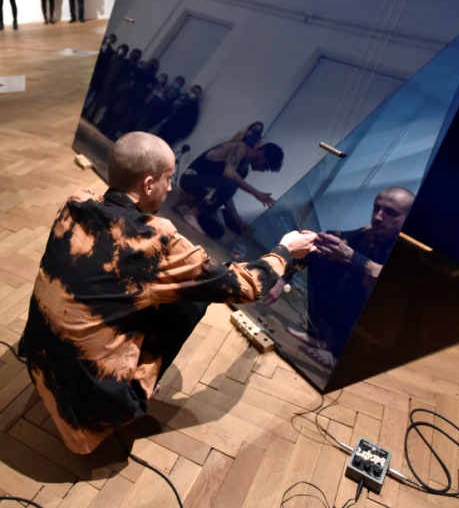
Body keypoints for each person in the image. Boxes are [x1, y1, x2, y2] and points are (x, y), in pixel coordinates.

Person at [18, 132, 318, 454]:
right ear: (149, 185)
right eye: (168, 178)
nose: (171, 187)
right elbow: (248, 286)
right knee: (194, 298)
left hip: (38, 362)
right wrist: (285, 251)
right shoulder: (156, 240)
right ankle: (137, 388)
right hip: (86, 418)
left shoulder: (76, 201)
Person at [267, 187, 415, 368]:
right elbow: (323, 241)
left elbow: (384, 281)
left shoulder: (407, 251)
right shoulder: (367, 234)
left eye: (391, 213)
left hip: (387, 325)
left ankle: (339, 353)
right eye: (377, 208)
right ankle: (322, 336)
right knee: (323, 253)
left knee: (353, 278)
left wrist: (350, 257)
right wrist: (282, 279)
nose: (378, 217)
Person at [180, 138, 284, 238]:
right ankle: (192, 214)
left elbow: (226, 195)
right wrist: (256, 193)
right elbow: (228, 173)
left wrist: (239, 222)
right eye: (265, 165)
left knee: (218, 231)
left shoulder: (243, 170)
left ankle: (188, 201)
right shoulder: (241, 147)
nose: (262, 170)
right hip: (190, 178)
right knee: (230, 185)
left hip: (205, 191)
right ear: (261, 153)